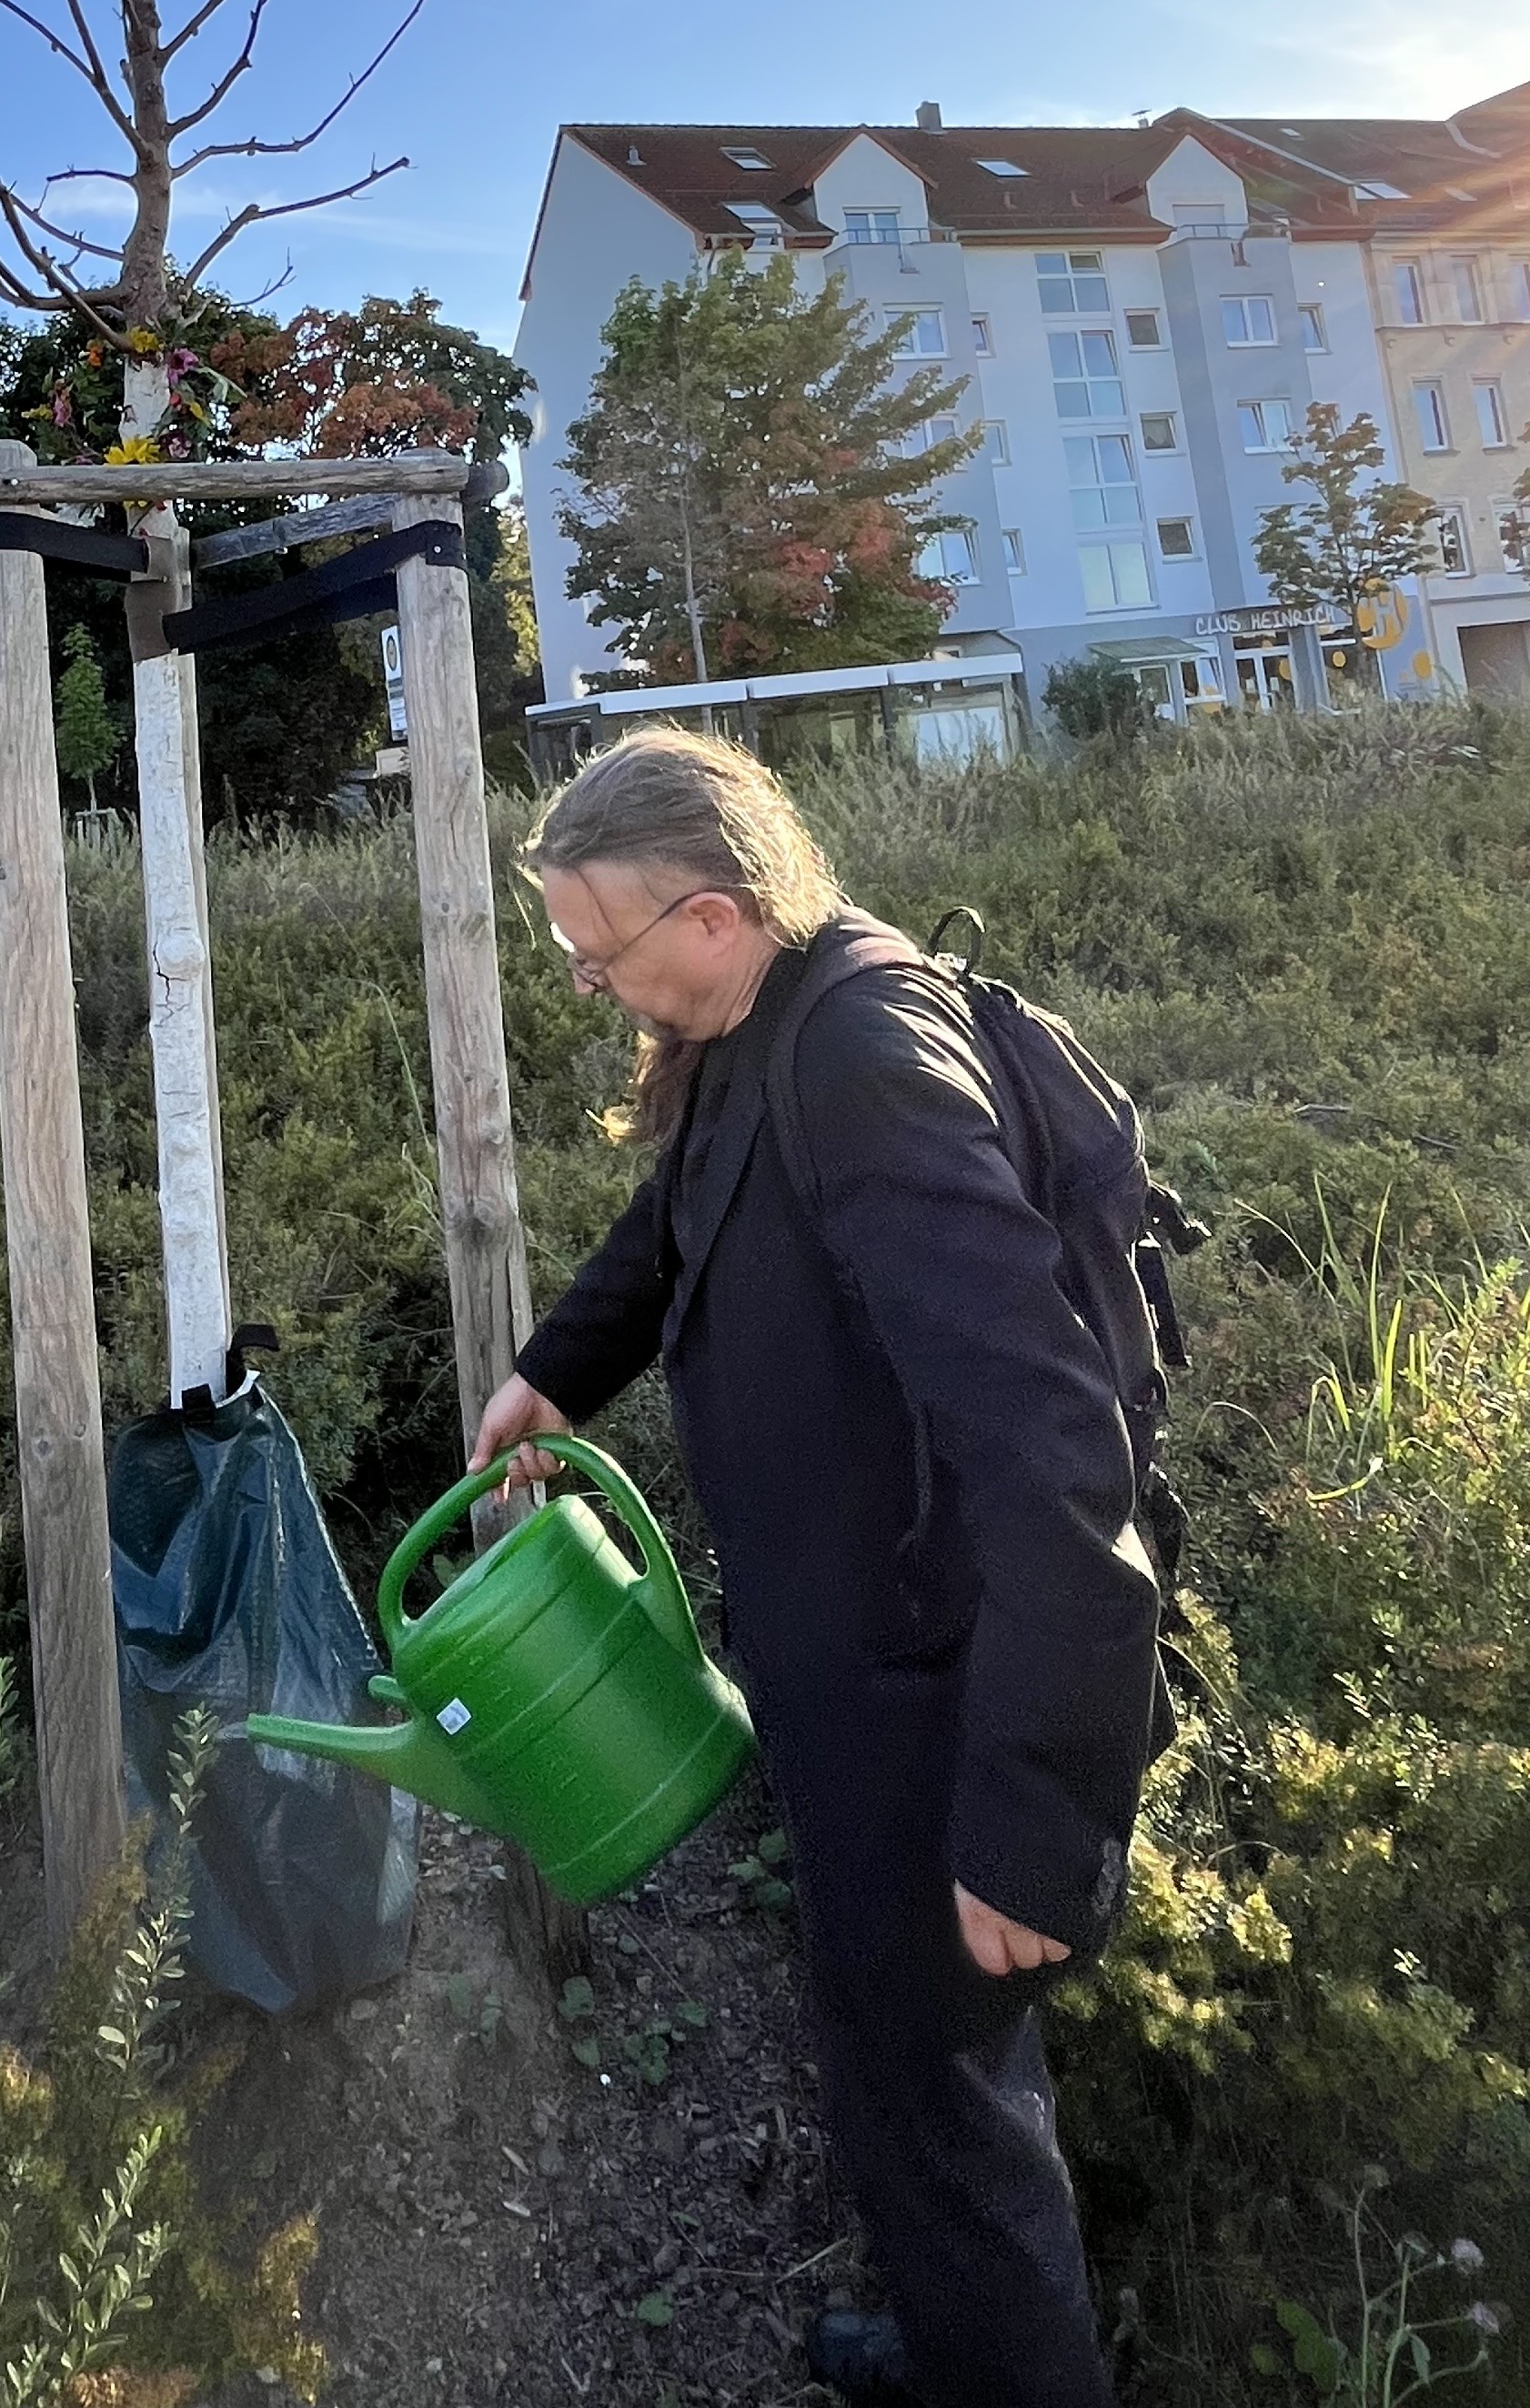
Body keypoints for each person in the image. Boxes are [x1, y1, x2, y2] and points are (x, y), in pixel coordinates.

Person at [474, 727, 1166, 2408]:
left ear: (710, 915)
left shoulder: (860, 1057)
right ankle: (941, 2350)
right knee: (882, 2060)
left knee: (956, 2121)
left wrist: (1030, 1820)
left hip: (935, 1710)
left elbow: (1054, 1444)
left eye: (599, 952)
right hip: (850, 1675)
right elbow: (680, 1222)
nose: (588, 986)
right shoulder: (761, 1021)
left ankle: (1006, 2365)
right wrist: (557, 1366)